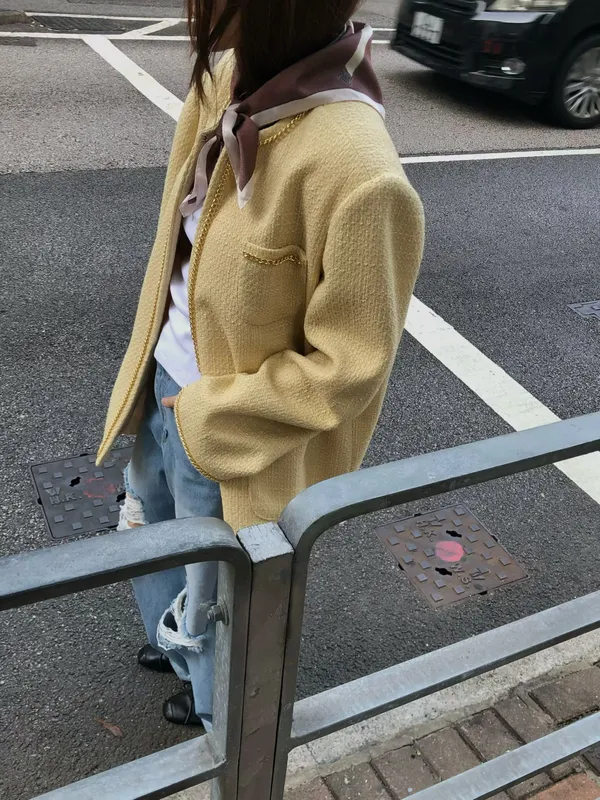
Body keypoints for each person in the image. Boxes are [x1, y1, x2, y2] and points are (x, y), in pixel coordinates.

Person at [97, 0, 425, 729]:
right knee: (152, 530)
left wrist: (207, 415)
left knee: (220, 596)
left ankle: (216, 715)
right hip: (162, 381)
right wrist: (157, 365)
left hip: (229, 426)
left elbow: (351, 366)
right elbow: (181, 236)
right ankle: (175, 649)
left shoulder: (357, 167)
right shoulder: (225, 78)